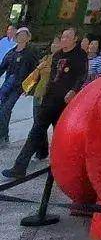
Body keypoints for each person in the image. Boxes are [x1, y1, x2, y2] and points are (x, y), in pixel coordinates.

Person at [3, 26, 87, 179]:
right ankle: (19, 167)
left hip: (65, 104)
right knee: (35, 131)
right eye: (63, 36)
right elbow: (51, 79)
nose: (64, 39)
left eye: (68, 37)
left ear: (75, 39)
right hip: (49, 101)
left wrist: (74, 90)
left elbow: (82, 75)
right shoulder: (57, 55)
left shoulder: (80, 56)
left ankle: (63, 169)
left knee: (61, 137)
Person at [0, 29, 34, 144]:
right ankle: (4, 136)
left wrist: (29, 87)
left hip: (18, 87)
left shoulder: (30, 53)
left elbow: (34, 72)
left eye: (24, 35)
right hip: (7, 86)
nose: (21, 37)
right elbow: (2, 67)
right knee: (4, 110)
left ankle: (2, 137)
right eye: (19, 35)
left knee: (5, 110)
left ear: (28, 37)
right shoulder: (12, 52)